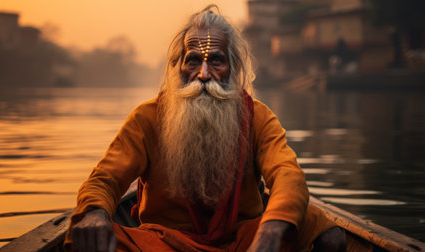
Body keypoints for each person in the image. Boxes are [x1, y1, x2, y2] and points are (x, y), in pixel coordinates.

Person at [65, 5, 346, 252]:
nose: (203, 74)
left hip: (243, 240)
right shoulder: (147, 117)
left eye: (216, 60)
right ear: (178, 66)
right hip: (165, 241)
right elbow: (105, 179)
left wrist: (270, 233)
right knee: (84, 235)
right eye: (193, 60)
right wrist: (95, 211)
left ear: (233, 69)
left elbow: (287, 175)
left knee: (327, 235)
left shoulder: (257, 117)